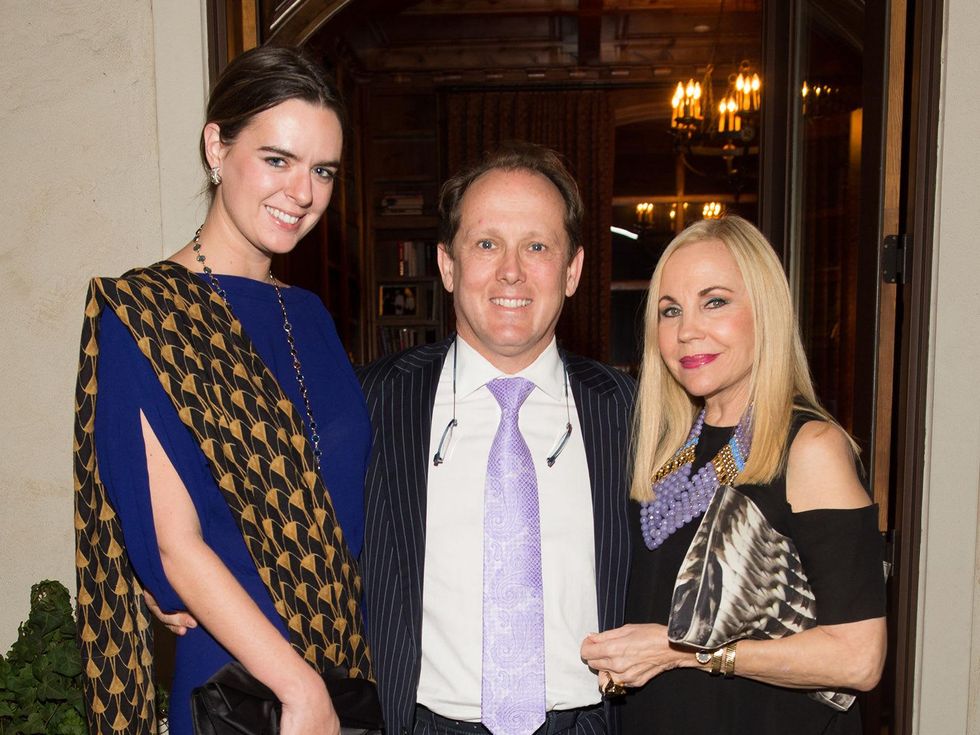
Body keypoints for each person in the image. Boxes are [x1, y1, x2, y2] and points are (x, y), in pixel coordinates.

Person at [73, 46, 374, 735]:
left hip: (345, 668)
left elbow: (344, 504)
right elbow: (177, 545)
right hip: (238, 686)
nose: (302, 192)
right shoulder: (146, 314)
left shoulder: (312, 315)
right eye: (277, 159)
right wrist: (301, 689)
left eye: (321, 170)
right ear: (216, 145)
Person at [358, 142, 635, 735]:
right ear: (447, 264)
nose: (512, 270)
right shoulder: (373, 402)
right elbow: (292, 525)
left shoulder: (630, 412)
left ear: (573, 269)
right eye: (487, 244)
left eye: (537, 246)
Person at [580, 216, 887, 735]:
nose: (686, 330)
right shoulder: (659, 452)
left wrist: (687, 651)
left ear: (764, 313)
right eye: (670, 310)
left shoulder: (811, 448)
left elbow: (858, 659)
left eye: (714, 302)